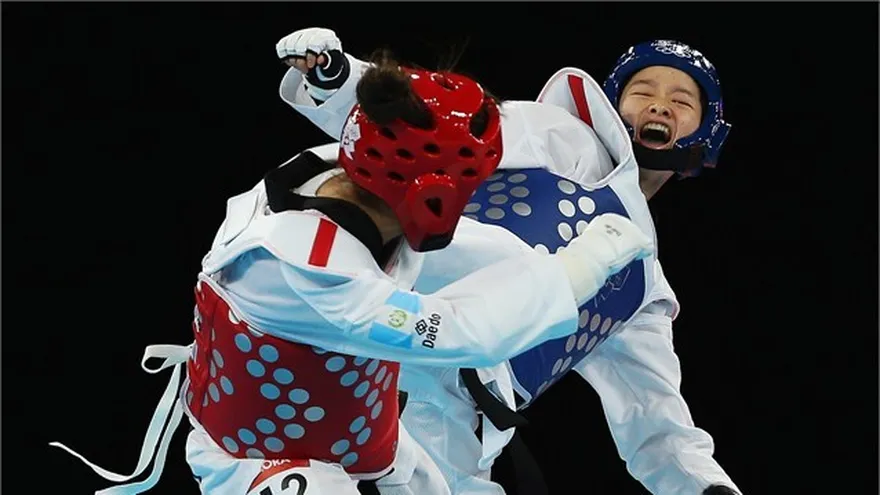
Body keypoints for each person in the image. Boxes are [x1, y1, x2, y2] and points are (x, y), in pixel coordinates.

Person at [48, 51, 656, 495]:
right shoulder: (311, 272)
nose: (479, 197)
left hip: (362, 438)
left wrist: (338, 76)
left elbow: (467, 236)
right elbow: (456, 330)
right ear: (431, 196)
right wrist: (582, 265)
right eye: (472, 186)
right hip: (264, 461)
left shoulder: (329, 172)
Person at [274, 28, 740, 495]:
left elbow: (654, 418)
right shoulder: (556, 134)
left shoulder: (640, 284)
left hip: (456, 422)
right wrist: (338, 79)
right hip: (390, 325)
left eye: (681, 101)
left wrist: (705, 487)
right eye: (643, 91)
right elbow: (426, 120)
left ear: (707, 135)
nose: (659, 105)